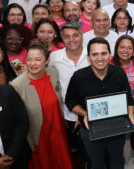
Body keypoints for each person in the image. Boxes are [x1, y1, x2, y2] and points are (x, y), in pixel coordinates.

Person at [66, 37, 134, 169]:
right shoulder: (79, 76)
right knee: (97, 164)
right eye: (95, 54)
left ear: (110, 55)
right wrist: (85, 114)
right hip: (90, 129)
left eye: (103, 53)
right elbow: (69, 100)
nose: (99, 58)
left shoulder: (119, 73)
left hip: (116, 128)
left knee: (117, 162)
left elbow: (128, 98)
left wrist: (130, 115)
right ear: (88, 57)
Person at [48, 23, 91, 166]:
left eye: (75, 35)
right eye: (67, 36)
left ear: (81, 36)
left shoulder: (92, 54)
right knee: (71, 150)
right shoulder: (54, 57)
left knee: (89, 152)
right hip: (66, 113)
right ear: (62, 39)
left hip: (90, 113)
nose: (71, 39)